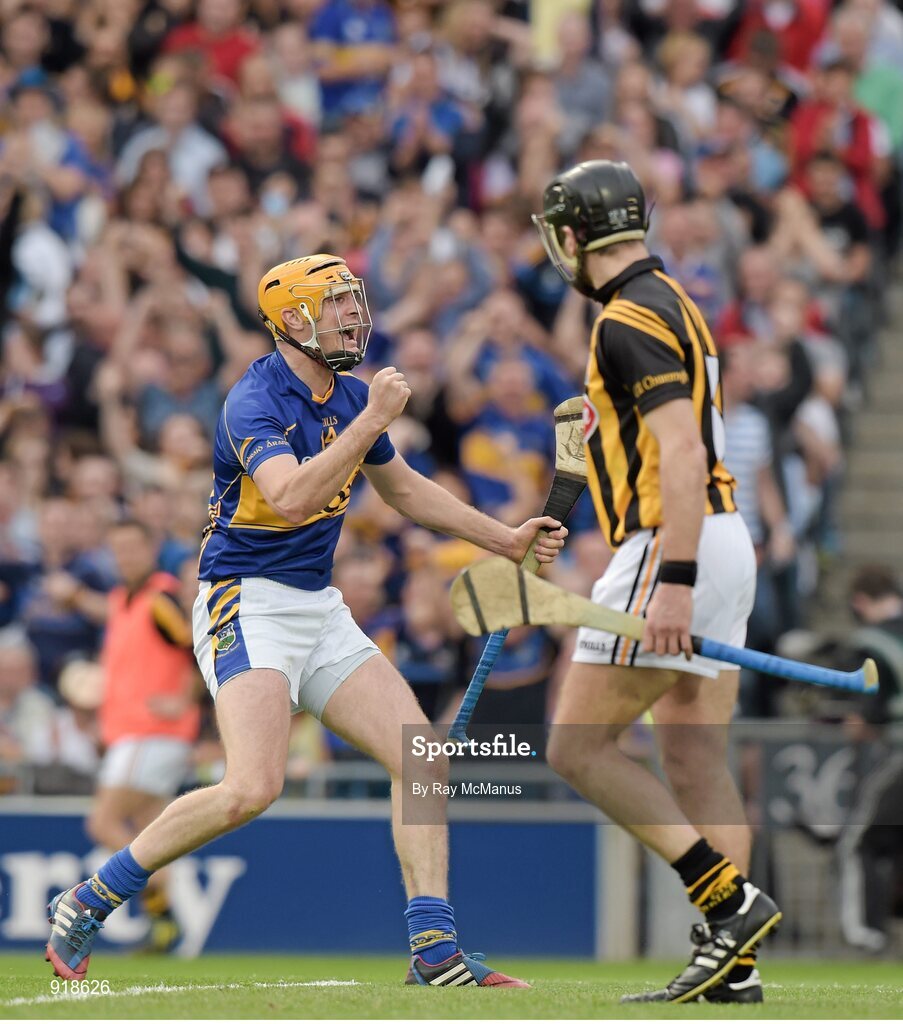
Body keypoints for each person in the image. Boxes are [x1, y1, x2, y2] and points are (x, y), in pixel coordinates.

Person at [45, 252, 566, 987]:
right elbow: (289, 497)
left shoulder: (351, 395)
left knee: (420, 759)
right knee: (251, 788)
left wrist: (503, 537)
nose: (356, 315)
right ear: (292, 321)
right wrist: (375, 419)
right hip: (244, 599)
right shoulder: (253, 400)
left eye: (355, 301)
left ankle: (435, 952)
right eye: (338, 305)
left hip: (317, 606)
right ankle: (90, 898)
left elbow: (405, 491)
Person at [532, 160, 781, 1004]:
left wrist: (669, 581)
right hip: (723, 540)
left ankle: (728, 901)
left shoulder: (622, 320)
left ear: (572, 236)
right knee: (692, 755)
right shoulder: (673, 300)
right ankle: (733, 970)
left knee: (576, 747)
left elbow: (680, 450)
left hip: (672, 545)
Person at [88, 519, 200, 953]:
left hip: (152, 732)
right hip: (132, 732)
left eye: (132, 547)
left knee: (103, 822)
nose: (125, 557)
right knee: (152, 831)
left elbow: (194, 643)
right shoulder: (122, 598)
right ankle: (164, 921)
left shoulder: (160, 596)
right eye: (118, 549)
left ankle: (162, 913)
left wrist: (185, 699)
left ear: (151, 548)